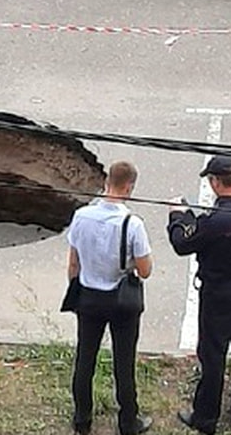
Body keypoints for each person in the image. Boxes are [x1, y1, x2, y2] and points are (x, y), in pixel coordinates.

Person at [167, 155, 231, 434]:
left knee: (212, 354)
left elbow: (182, 243)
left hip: (220, 294)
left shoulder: (217, 220)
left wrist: (177, 216)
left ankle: (206, 417)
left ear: (215, 182)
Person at [67, 160, 154, 435]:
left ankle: (82, 419)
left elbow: (73, 264)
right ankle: (128, 421)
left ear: (107, 182)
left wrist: (77, 285)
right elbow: (145, 270)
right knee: (123, 362)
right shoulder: (133, 224)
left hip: (89, 298)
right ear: (129, 188)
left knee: (85, 359)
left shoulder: (81, 216)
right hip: (121, 302)